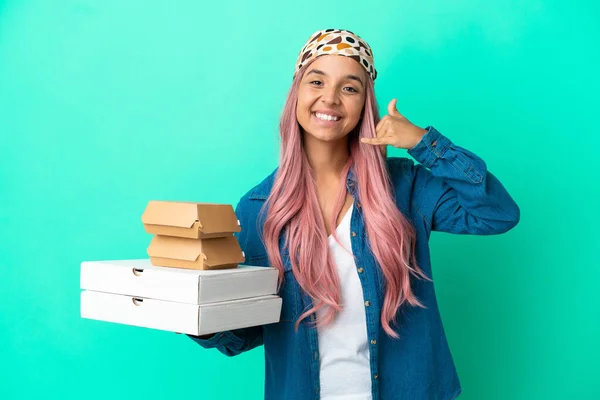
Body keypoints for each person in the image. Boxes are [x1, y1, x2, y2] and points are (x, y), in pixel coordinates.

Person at [187, 28, 520, 400]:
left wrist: (423, 143)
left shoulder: (405, 187)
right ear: (297, 91)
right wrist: (191, 309)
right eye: (317, 81)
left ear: (364, 104)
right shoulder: (258, 208)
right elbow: (248, 333)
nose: (330, 99)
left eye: (349, 88)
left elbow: (498, 214)